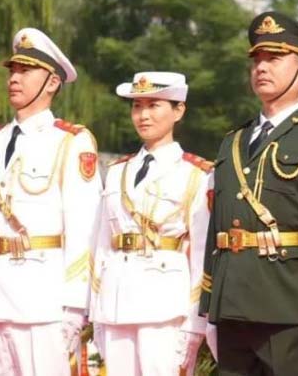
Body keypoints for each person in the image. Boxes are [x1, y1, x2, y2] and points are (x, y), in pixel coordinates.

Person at [199, 12, 298, 375]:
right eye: (257, 59)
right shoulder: (233, 141)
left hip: (289, 305)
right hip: (232, 303)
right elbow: (216, 229)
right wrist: (209, 305)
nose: (262, 67)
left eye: (274, 58)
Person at [0, 28, 101, 375]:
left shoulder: (71, 142)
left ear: (52, 82)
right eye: (13, 70)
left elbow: (84, 227)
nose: (14, 78)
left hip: (43, 302)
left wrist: (74, 306)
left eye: (26, 71)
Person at [90, 71, 213, 375]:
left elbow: (201, 254)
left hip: (165, 308)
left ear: (178, 111)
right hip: (115, 304)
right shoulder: (117, 171)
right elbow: (102, 246)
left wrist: (195, 323)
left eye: (154, 105)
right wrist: (96, 311)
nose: (143, 115)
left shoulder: (196, 173)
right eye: (137, 106)